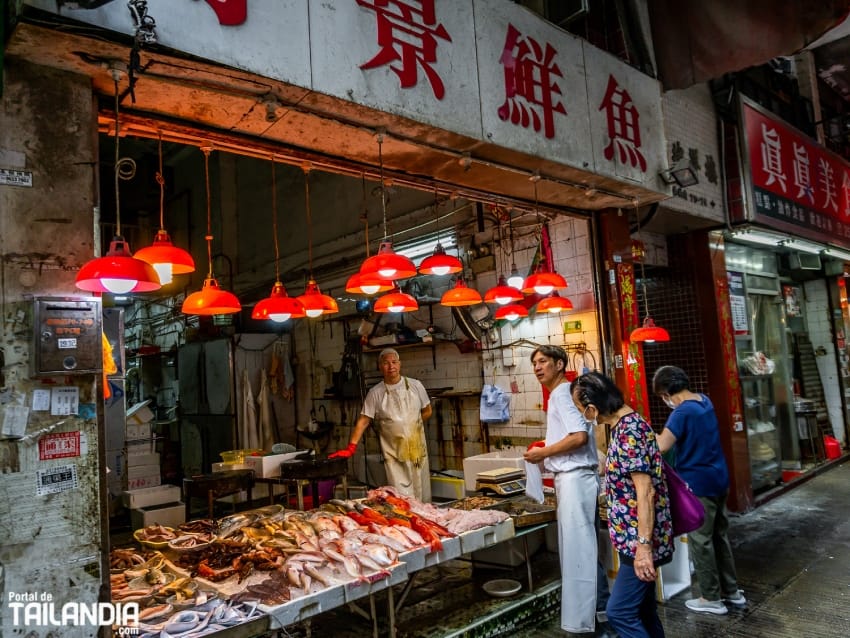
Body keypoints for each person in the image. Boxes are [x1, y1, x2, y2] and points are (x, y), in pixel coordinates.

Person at [571, 371, 674, 638]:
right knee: (643, 610)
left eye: (580, 409)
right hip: (634, 537)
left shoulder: (629, 431)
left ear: (592, 408)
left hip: (638, 540)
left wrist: (643, 547)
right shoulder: (624, 426)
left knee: (620, 613)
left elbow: (645, 491)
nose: (582, 415)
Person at [523, 345, 610, 636]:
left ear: (560, 364)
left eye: (543, 361)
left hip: (575, 479)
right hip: (575, 479)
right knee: (584, 548)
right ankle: (598, 611)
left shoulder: (562, 394)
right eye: (534, 362)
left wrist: (542, 453)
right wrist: (545, 451)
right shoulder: (563, 394)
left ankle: (586, 621)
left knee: (579, 550)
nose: (537, 367)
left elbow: (578, 437)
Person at [652, 365, 746, 615]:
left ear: (666, 392)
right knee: (719, 536)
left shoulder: (681, 413)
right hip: (719, 478)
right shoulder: (705, 401)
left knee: (701, 540)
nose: (664, 401)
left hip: (698, 483)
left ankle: (710, 597)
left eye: (662, 396)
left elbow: (661, 445)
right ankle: (732, 592)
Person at [329, 348, 433, 501]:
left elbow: (427, 410)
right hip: (393, 452)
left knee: (422, 490)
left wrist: (410, 428)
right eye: (386, 363)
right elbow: (364, 420)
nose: (391, 366)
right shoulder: (375, 393)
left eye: (394, 362)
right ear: (380, 367)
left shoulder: (416, 385)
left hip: (416, 449)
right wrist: (351, 447)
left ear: (400, 364)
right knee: (400, 497)